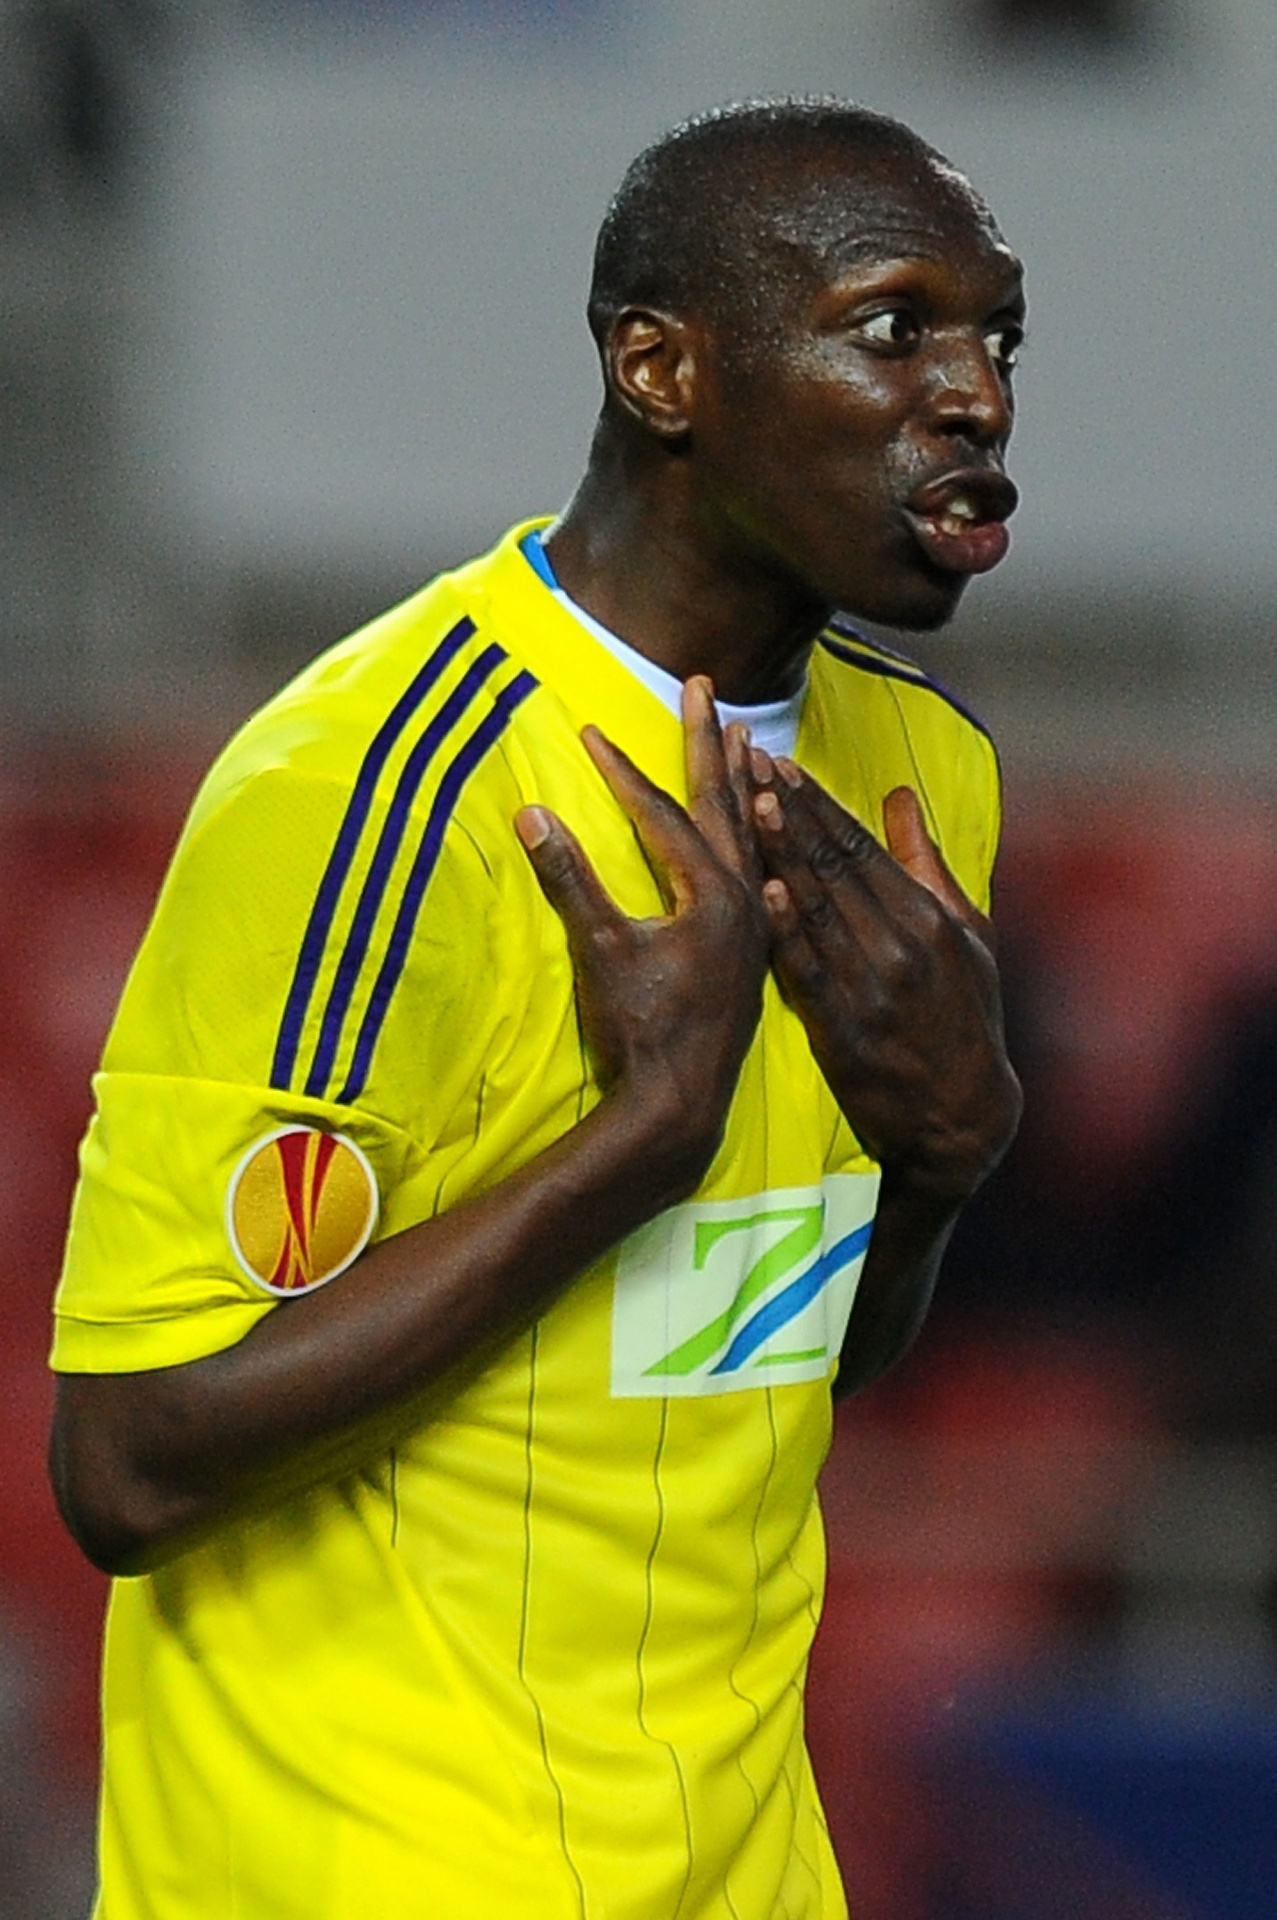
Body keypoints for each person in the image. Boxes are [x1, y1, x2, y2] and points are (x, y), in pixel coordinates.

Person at [49, 97, 1024, 1920]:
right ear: (661, 369)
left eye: (997, 340)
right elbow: (127, 1462)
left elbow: (773, 1356)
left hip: (736, 1871)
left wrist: (942, 1163)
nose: (972, 396)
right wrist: (640, 1138)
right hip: (373, 1870)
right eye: (893, 329)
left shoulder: (923, 772)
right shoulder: (366, 790)